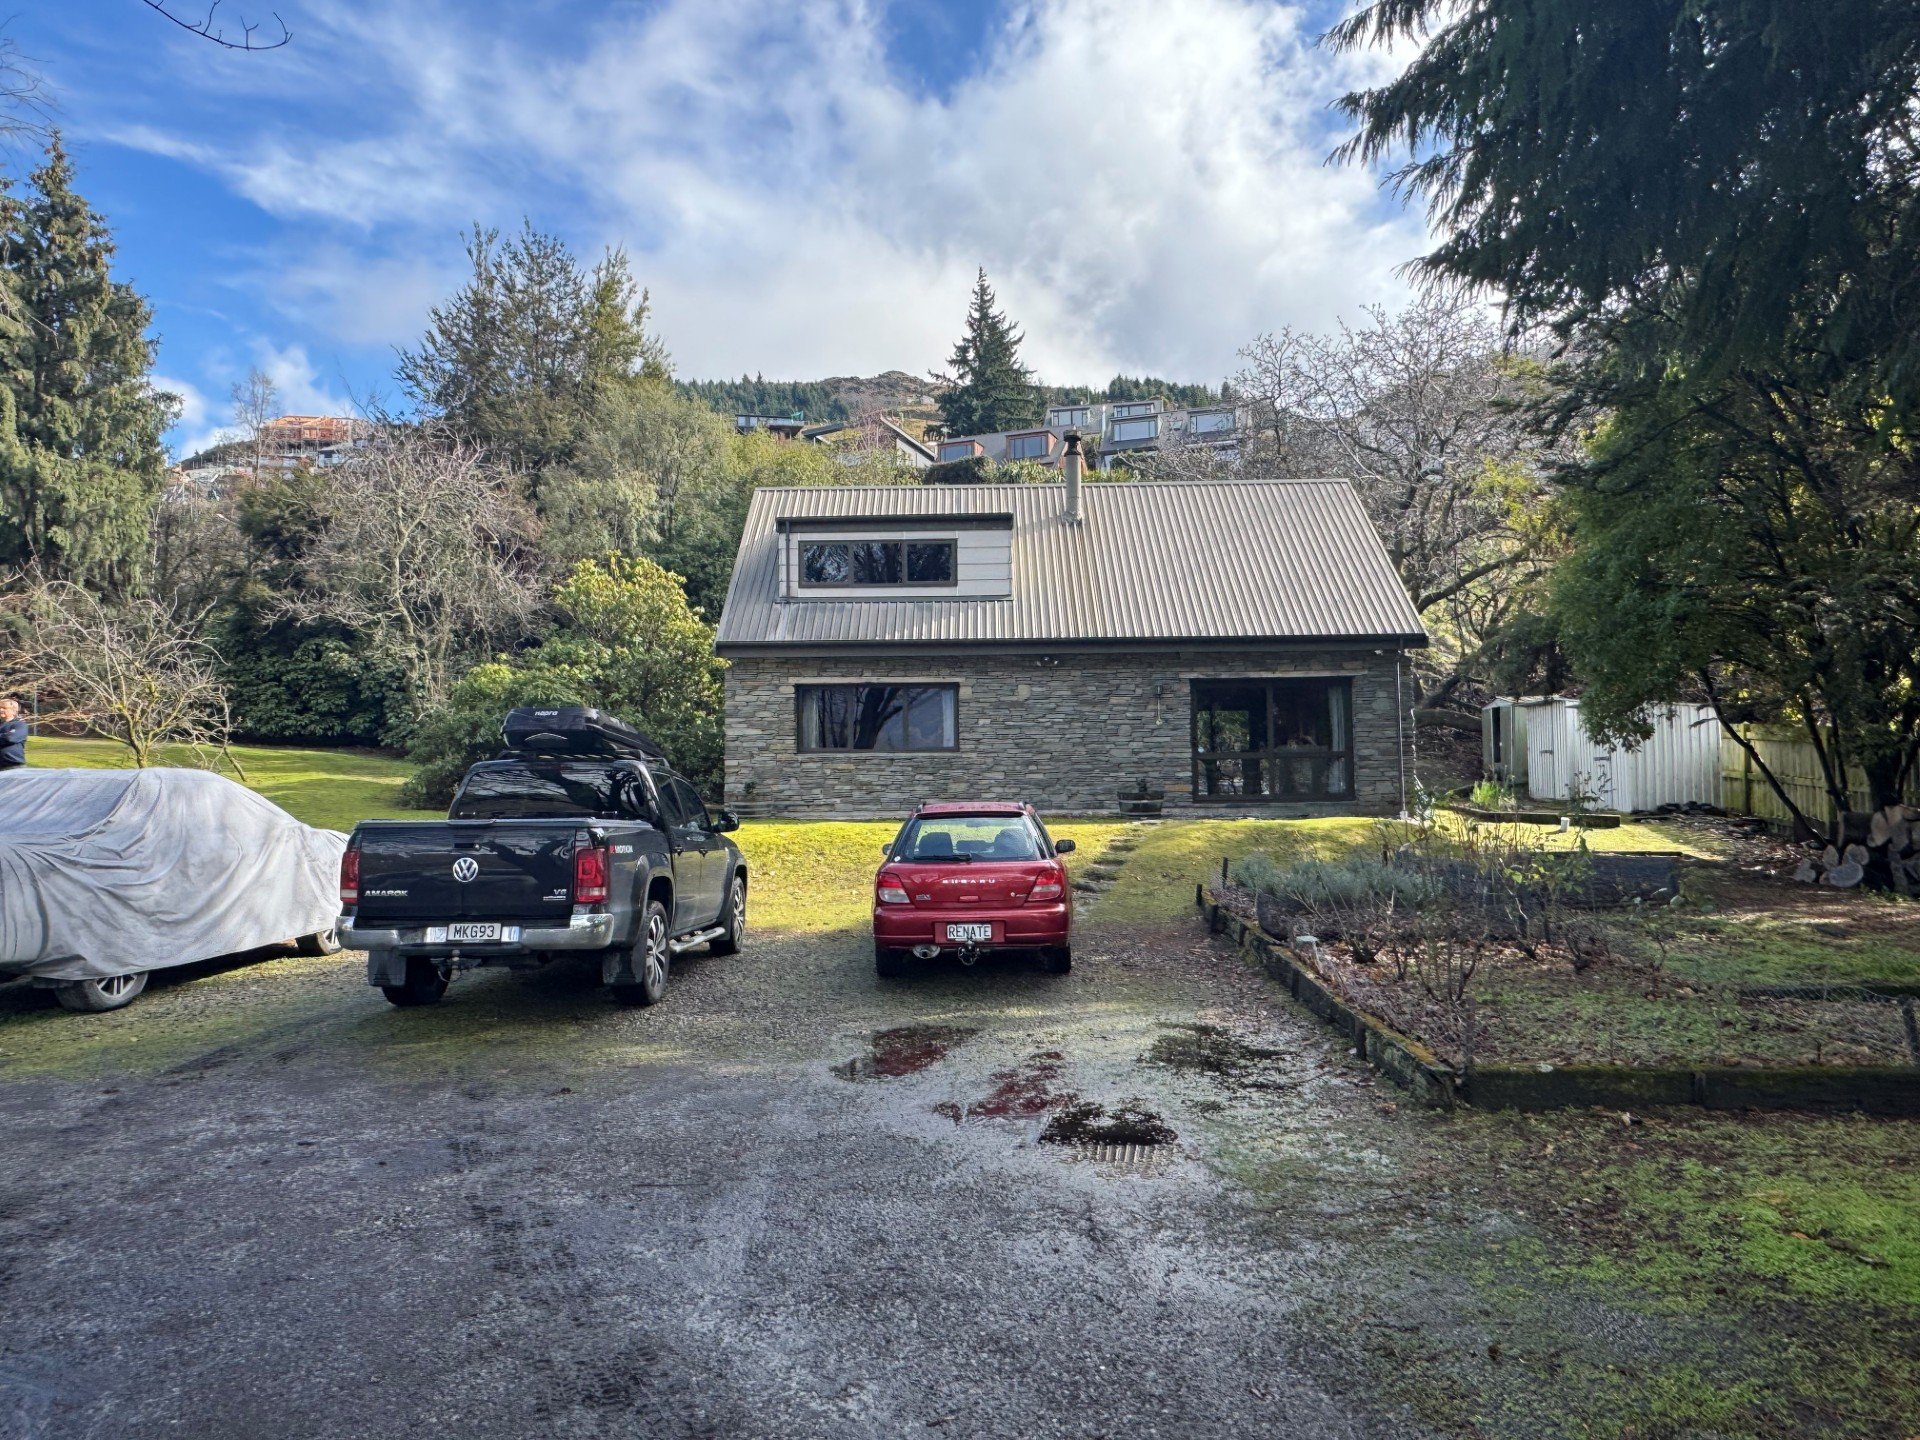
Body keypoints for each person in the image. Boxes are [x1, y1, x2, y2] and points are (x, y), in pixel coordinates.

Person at [0, 696, 27, 771]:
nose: (1, 710)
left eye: (4, 708)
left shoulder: (19, 725)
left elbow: (10, 738)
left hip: (13, 767)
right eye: (0, 707)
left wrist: (5, 736)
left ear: (13, 711)